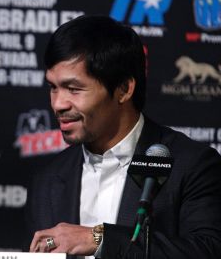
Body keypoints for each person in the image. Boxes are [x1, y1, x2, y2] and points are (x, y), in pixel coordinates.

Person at [26, 15, 221, 258]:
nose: (58, 104)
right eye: (53, 87)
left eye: (74, 89)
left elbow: (208, 251)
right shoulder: (46, 180)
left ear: (124, 89)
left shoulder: (191, 165)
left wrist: (99, 239)